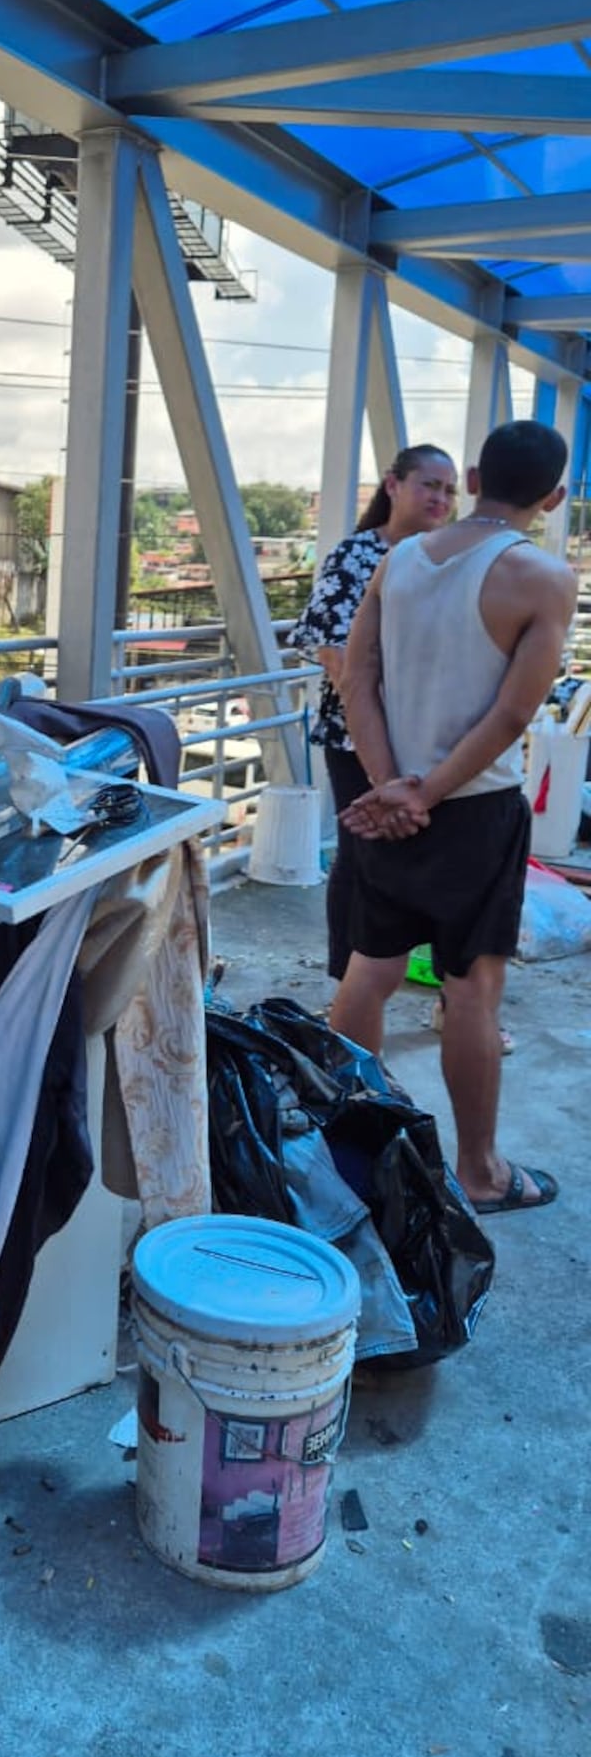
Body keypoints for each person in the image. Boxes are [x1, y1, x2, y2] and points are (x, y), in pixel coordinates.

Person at [331, 420, 576, 1216]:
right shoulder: (542, 577)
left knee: (370, 968)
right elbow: (511, 716)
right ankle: (480, 1172)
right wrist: (426, 792)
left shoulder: (397, 558)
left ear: (471, 477)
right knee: (472, 992)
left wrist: (387, 784)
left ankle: (353, 1147)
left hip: (388, 801)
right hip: (472, 809)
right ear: (554, 496)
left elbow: (354, 677)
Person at [289, 444, 458, 980]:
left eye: (450, 490)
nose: (440, 498)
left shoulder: (449, 558)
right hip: (356, 738)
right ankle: (348, 983)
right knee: (362, 857)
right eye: (430, 484)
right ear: (394, 485)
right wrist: (379, 734)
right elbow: (336, 655)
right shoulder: (357, 555)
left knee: (439, 860)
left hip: (433, 738)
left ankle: (449, 986)